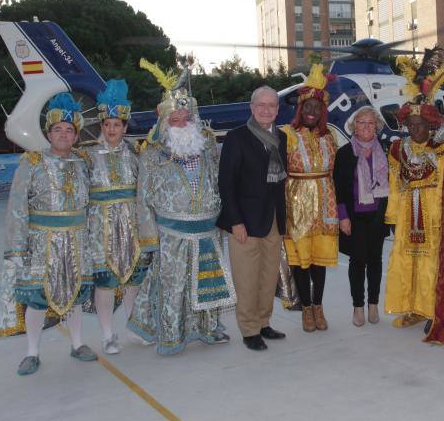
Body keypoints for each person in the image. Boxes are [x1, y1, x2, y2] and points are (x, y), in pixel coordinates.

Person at [128, 59, 234, 355]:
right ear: (164, 122)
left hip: (208, 229)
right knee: (173, 288)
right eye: (175, 119)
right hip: (171, 231)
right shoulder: (152, 153)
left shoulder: (208, 145)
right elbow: (143, 197)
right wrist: (150, 238)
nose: (181, 123)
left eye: (186, 118)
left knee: (208, 285)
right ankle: (172, 335)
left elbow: (217, 182)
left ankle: (209, 329)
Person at [0, 93, 97, 375]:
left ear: (76, 136)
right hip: (42, 243)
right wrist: (17, 248)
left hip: (77, 241)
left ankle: (77, 344)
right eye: (58, 130)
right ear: (48, 133)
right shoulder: (31, 162)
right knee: (37, 298)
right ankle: (32, 352)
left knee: (75, 294)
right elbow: (17, 207)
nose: (64, 135)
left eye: (69, 130)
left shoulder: (84, 162)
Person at [384, 48, 444, 344]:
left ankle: (434, 309)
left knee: (433, 263)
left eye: (420, 125)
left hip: (435, 217)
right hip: (409, 218)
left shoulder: (443, 148)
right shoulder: (398, 150)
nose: (415, 129)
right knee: (410, 261)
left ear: (431, 125)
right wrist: (393, 216)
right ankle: (415, 307)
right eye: (410, 125)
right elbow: (395, 184)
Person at [217, 85, 288, 351]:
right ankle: (249, 330)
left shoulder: (282, 137)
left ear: (278, 110)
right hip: (244, 223)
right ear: (251, 107)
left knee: (269, 277)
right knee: (246, 279)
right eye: (261, 105)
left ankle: (263, 322)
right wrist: (235, 221)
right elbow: (226, 183)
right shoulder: (237, 138)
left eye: (271, 105)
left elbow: (281, 183)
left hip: (273, 220)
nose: (266, 110)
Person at [83, 79, 150, 355]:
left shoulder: (136, 153)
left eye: (117, 125)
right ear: (102, 126)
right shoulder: (86, 155)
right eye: (107, 125)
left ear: (125, 127)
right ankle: (108, 334)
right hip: (101, 228)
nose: (112, 130)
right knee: (106, 282)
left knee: (135, 280)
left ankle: (134, 327)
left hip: (132, 226)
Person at [282, 64, 339, 332]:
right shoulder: (287, 135)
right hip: (297, 205)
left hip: (325, 205)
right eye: (307, 108)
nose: (312, 113)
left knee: (319, 261)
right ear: (300, 109)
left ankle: (319, 306)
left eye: (317, 109)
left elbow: (338, 172)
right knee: (302, 262)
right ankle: (306, 309)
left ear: (322, 112)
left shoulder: (330, 138)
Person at [332, 106, 390, 326]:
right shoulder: (345, 153)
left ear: (377, 126)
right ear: (353, 126)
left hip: (378, 215)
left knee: (375, 261)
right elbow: (338, 188)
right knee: (357, 262)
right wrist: (342, 216)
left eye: (370, 122)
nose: (366, 126)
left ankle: (373, 304)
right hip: (354, 217)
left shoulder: (385, 150)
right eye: (361, 122)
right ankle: (358, 306)